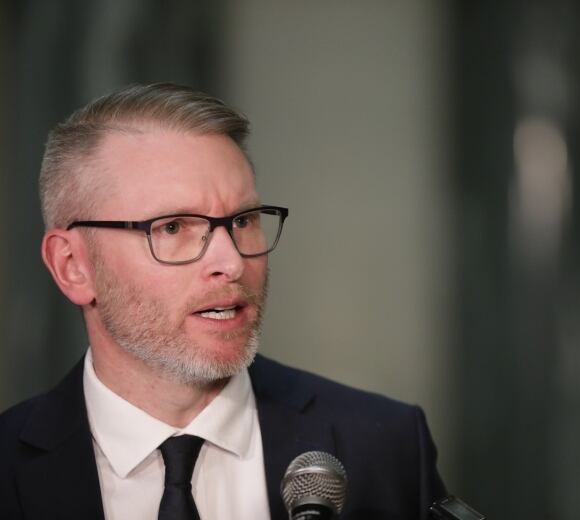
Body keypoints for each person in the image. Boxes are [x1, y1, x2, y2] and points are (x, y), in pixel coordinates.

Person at [0, 83, 446, 519]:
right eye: (173, 227)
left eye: (244, 220)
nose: (231, 262)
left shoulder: (382, 445)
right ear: (73, 265)